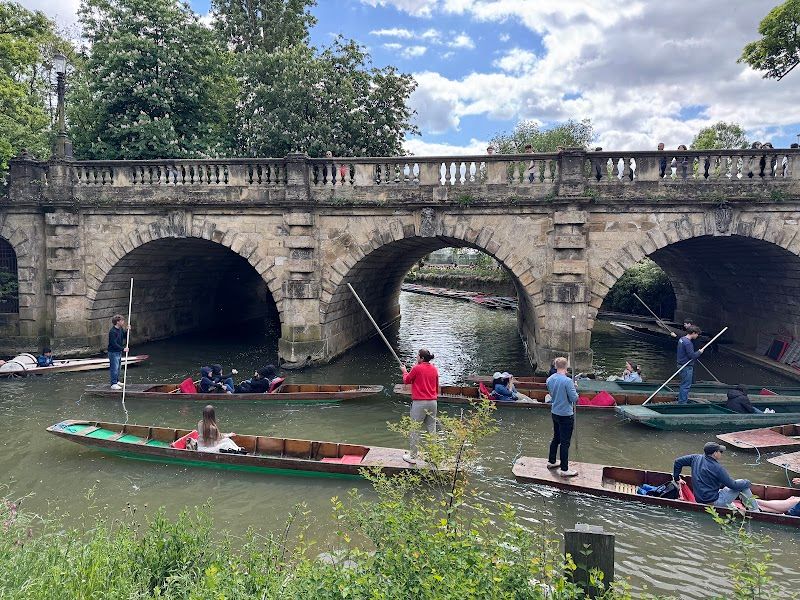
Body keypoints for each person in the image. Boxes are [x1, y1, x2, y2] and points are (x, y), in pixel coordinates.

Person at [673, 442, 759, 511]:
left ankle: (752, 508)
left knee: (738, 484)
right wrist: (748, 482)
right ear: (715, 453)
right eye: (720, 451)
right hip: (714, 502)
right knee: (743, 485)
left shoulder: (695, 458)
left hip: (700, 499)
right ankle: (755, 511)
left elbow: (678, 461)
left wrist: (676, 478)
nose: (721, 453)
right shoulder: (717, 468)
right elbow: (733, 485)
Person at [400, 348, 439, 464]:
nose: (416, 357)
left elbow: (407, 380)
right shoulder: (434, 369)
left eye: (417, 356)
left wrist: (404, 371)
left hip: (419, 403)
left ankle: (413, 456)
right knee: (432, 428)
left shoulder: (417, 368)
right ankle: (434, 456)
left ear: (421, 358)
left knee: (415, 429)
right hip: (433, 402)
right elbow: (436, 386)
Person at [546, 356, 579, 477]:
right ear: (566, 367)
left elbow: (552, 394)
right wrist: (575, 389)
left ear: (555, 366)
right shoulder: (567, 381)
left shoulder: (549, 379)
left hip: (555, 412)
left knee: (556, 438)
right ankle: (564, 469)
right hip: (566, 414)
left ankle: (552, 461)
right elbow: (574, 398)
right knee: (565, 442)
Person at [677, 325, 703, 404]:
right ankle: (682, 403)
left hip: (680, 364)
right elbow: (692, 356)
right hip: (686, 367)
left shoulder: (681, 339)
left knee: (683, 384)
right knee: (686, 386)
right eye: (697, 334)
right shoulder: (688, 343)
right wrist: (699, 352)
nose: (697, 336)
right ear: (693, 333)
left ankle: (682, 400)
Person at [107, 314, 129, 390]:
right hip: (113, 352)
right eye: (122, 321)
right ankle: (113, 383)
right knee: (114, 368)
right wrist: (123, 349)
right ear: (117, 322)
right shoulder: (112, 331)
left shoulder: (120, 329)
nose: (123, 322)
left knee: (118, 368)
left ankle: (117, 381)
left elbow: (124, 336)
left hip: (118, 352)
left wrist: (128, 330)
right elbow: (113, 343)